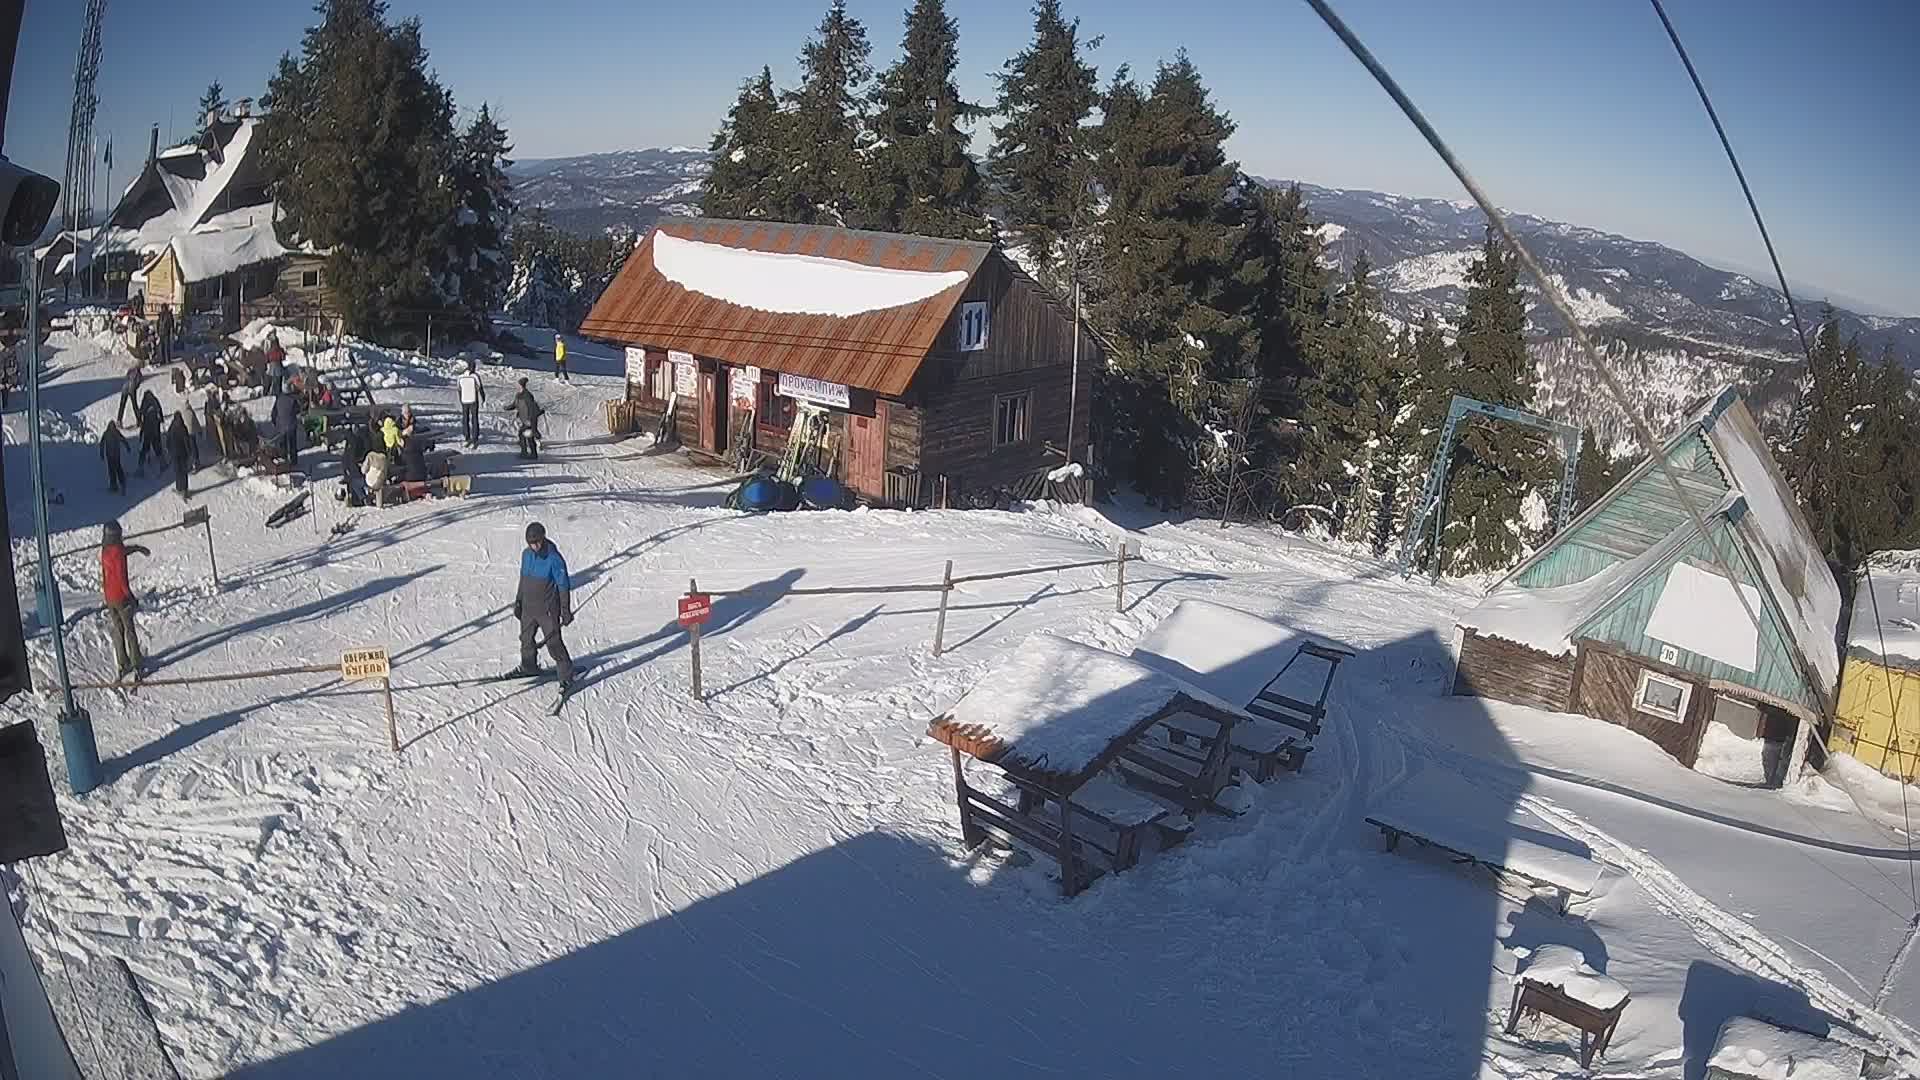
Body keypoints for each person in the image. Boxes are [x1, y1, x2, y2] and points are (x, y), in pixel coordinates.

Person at [511, 521, 574, 689]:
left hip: (547, 610)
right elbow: (523, 580)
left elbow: (563, 585)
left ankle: (566, 675)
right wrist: (519, 601)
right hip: (528, 607)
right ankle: (528, 666)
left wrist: (565, 610)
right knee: (526, 640)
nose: (535, 546)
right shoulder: (526, 555)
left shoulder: (554, 558)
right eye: (531, 543)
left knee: (553, 642)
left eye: (537, 542)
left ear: (543, 538)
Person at [100, 520, 150, 682]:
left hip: (109, 598)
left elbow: (121, 551)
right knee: (130, 630)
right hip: (121, 598)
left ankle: (123, 663)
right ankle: (136, 663)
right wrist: (131, 598)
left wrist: (136, 548)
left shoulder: (105, 550)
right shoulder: (119, 554)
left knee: (118, 629)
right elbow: (122, 580)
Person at [508, 377, 542, 460]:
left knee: (525, 435)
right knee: (526, 436)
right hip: (524, 419)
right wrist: (507, 408)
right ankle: (531, 453)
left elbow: (532, 408)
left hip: (528, 419)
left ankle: (527, 453)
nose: (516, 386)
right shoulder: (518, 395)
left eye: (517, 384)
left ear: (521, 385)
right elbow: (515, 404)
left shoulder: (527, 395)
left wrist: (532, 421)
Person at [456, 359, 485, 448]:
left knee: (465, 419)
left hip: (464, 400)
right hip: (473, 400)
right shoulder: (475, 376)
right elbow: (480, 388)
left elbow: (459, 389)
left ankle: (467, 437)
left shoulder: (460, 376)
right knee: (474, 419)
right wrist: (483, 398)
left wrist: (461, 399)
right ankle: (475, 438)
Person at [137, 389, 166, 472]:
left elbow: (140, 412)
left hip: (147, 430)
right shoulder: (154, 400)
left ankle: (140, 468)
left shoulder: (144, 402)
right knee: (157, 446)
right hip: (155, 428)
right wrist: (161, 420)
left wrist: (139, 422)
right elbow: (159, 410)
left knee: (144, 448)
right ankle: (162, 464)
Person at [166, 411, 194, 496]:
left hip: (174, 453)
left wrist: (168, 449)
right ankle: (185, 489)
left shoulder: (172, 427)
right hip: (183, 453)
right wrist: (189, 452)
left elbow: (168, 439)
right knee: (184, 471)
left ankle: (179, 488)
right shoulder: (183, 428)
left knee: (178, 471)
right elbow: (186, 441)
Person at [340, 427, 369, 506]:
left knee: (353, 483)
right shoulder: (359, 441)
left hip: (353, 470)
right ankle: (358, 499)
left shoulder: (350, 446)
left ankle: (358, 499)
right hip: (357, 468)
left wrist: (345, 473)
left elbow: (346, 460)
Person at [272, 391, 300, 470]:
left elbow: (274, 413)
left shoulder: (278, 399)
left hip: (281, 426)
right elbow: (297, 410)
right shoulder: (293, 400)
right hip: (291, 425)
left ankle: (284, 461)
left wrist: (275, 422)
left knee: (283, 444)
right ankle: (294, 461)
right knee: (292, 444)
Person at [99, 421, 127, 494]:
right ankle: (122, 483)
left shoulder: (106, 433)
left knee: (112, 471)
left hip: (110, 455)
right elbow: (123, 439)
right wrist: (127, 446)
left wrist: (101, 453)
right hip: (116, 455)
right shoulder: (116, 432)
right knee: (117, 469)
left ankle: (114, 486)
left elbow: (102, 444)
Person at [115, 359, 143, 425]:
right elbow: (138, 383)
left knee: (122, 405)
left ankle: (119, 420)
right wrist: (134, 388)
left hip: (125, 389)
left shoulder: (130, 370)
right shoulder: (139, 374)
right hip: (131, 390)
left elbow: (126, 379)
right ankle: (139, 421)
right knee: (135, 406)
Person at [264, 332, 286, 397]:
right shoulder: (280, 350)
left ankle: (272, 392)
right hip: (278, 366)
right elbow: (283, 358)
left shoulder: (270, 351)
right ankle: (277, 392)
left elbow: (267, 360)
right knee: (278, 381)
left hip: (273, 367)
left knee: (273, 381)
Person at [155, 304, 175, 368]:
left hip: (166, 333)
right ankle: (163, 360)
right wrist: (157, 332)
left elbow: (171, 324)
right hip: (161, 333)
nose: (163, 309)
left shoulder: (169, 315)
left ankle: (168, 359)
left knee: (167, 347)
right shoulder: (160, 315)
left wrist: (172, 332)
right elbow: (158, 324)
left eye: (164, 308)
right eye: (162, 308)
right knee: (162, 347)